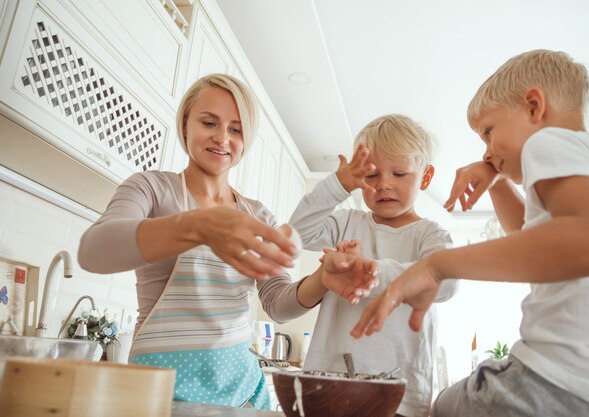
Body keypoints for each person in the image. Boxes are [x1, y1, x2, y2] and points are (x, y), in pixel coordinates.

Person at [78, 73, 378, 409]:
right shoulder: (151, 189)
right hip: (159, 394)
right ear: (186, 124)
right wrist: (197, 225)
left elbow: (278, 304)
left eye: (235, 129)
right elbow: (94, 251)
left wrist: (323, 279)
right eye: (209, 122)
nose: (222, 138)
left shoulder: (257, 214)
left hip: (242, 396)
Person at [352, 50, 589, 417]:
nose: (487, 152)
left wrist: (436, 266)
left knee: (439, 408)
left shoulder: (550, 143)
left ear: (533, 106)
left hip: (553, 376)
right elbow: (535, 240)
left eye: (488, 132)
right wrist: (497, 182)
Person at [289, 114, 458, 417]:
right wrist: (337, 185)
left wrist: (370, 271)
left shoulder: (431, 235)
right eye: (371, 175)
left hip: (400, 395)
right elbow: (297, 232)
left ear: (426, 177)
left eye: (399, 173)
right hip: (329, 383)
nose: (384, 185)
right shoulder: (346, 223)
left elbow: (446, 283)